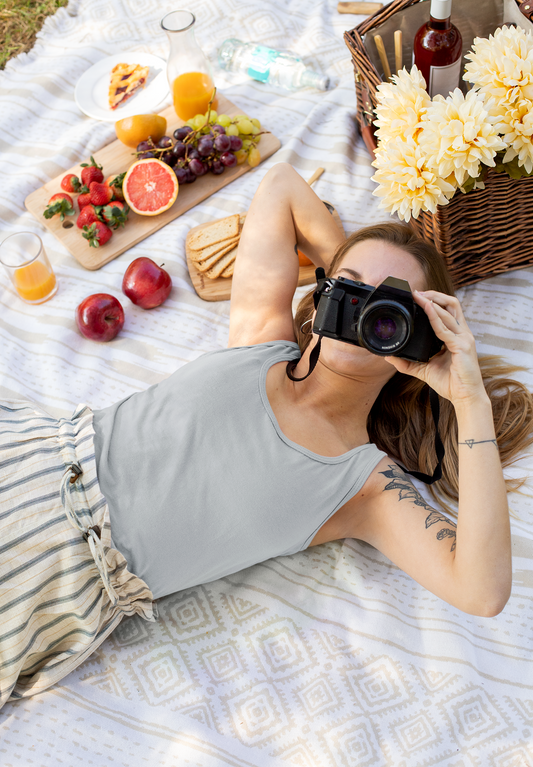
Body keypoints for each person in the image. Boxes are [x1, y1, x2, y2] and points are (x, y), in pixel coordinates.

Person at [1, 163, 532, 708]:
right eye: (349, 289)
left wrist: (467, 396)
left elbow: (482, 590)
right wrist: (358, 281)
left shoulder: (365, 486)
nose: (365, 307)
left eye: (388, 308)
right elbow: (281, 186)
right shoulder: (261, 338)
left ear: (421, 341)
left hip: (52, 577)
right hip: (29, 454)